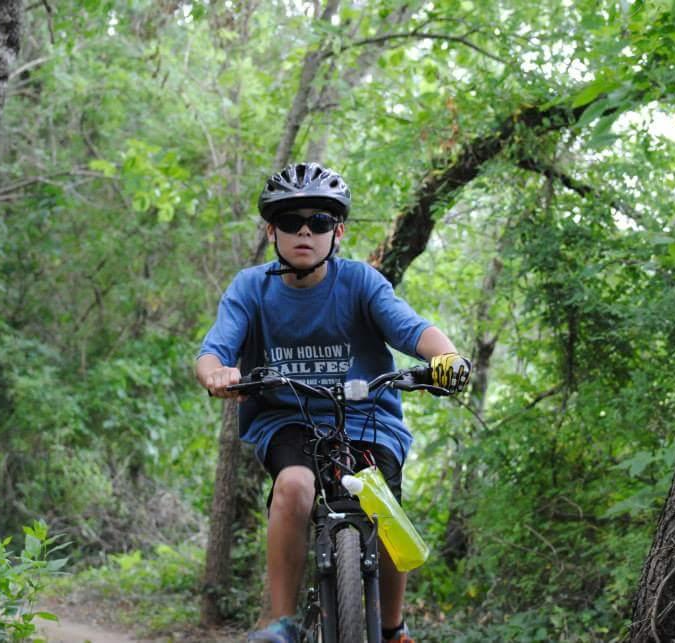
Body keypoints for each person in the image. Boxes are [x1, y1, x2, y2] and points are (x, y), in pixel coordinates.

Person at [196, 162, 471, 643]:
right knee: (295, 487)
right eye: (290, 221)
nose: (305, 230)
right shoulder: (250, 288)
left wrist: (446, 357)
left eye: (319, 222)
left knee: (381, 503)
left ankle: (391, 628)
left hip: (369, 420)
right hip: (288, 420)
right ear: (271, 231)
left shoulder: (360, 282)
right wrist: (218, 373)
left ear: (337, 231)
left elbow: (411, 328)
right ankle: (279, 623)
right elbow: (214, 349)